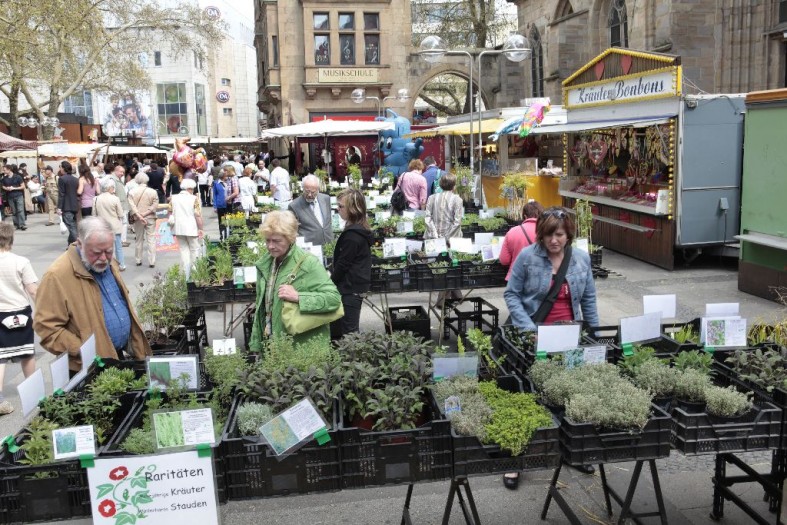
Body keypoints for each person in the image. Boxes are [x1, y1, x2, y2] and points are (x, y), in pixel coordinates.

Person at [503, 207, 600, 485]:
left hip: (570, 338)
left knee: (569, 395)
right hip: (533, 337)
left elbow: (589, 299)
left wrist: (595, 336)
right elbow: (511, 294)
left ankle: (573, 452)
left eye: (559, 235)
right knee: (526, 396)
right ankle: (515, 460)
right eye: (548, 235)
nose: (553, 240)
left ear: (569, 234)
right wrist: (528, 330)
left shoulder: (580, 259)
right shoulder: (527, 257)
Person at [34, 217, 152, 373]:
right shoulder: (56, 275)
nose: (103, 258)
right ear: (80, 244)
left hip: (117, 358)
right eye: (96, 253)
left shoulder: (108, 263)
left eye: (108, 251)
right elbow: (47, 329)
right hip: (88, 367)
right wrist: (85, 350)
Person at [248, 211, 342, 350]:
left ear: (290, 238)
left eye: (277, 241)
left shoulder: (308, 263)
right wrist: (258, 345)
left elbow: (333, 299)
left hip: (302, 348)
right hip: (274, 345)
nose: (271, 246)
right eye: (268, 240)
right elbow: (263, 309)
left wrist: (299, 297)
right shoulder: (266, 263)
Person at [0, 223, 38, 415]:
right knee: (27, 352)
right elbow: (32, 290)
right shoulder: (21, 261)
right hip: (20, 311)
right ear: (11, 240)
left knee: (0, 356)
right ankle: (33, 391)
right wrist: (42, 311)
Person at [330, 189, 373, 341]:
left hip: (350, 287)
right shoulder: (357, 230)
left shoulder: (353, 236)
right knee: (348, 328)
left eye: (341, 206)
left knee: (350, 331)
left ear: (353, 209)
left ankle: (354, 355)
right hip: (354, 285)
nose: (338, 209)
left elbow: (343, 264)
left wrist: (330, 282)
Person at [499, 201, 544, 281]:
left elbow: (504, 260)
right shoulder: (547, 232)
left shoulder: (512, 232)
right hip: (540, 278)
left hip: (516, 277)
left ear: (525, 216)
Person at [170, 179, 204, 280]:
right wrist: (201, 228)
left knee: (183, 249)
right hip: (191, 227)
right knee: (194, 249)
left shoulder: (173, 198)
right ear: (189, 188)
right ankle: (195, 270)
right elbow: (197, 215)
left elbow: (170, 212)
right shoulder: (194, 199)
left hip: (178, 227)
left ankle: (186, 271)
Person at [288, 174, 332, 246]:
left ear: (318, 189)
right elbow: (292, 230)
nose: (309, 195)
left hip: (328, 243)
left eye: (313, 192)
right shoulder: (294, 206)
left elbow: (328, 221)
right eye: (307, 191)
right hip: (309, 247)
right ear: (302, 188)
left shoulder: (326, 199)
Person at [94, 177, 127, 271]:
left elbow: (94, 214)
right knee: (118, 247)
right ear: (110, 188)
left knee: (105, 248)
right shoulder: (115, 199)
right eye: (113, 187)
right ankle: (121, 264)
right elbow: (120, 214)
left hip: (102, 227)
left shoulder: (96, 199)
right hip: (114, 226)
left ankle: (108, 265)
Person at [127, 173, 159, 268]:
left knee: (139, 239)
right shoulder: (153, 192)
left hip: (138, 218)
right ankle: (152, 261)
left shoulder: (132, 192)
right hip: (150, 217)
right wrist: (145, 213)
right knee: (151, 239)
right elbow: (155, 206)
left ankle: (138, 260)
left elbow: (132, 206)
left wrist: (139, 215)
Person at [425, 172, 464, 241]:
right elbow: (457, 221)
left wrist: (434, 234)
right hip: (451, 239)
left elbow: (428, 217)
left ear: (440, 184)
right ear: (454, 186)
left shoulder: (431, 198)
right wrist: (447, 237)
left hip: (433, 237)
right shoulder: (457, 199)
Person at [57, 161, 80, 245]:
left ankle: (78, 243)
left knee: (71, 226)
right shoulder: (75, 179)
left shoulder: (62, 179)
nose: (60, 169)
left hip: (66, 206)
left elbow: (61, 194)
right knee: (73, 225)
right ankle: (70, 244)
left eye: (60, 167)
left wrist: (59, 207)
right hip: (75, 205)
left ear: (63, 168)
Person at [107, 164, 131, 247]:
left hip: (122, 204)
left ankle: (122, 240)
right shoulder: (112, 180)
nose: (122, 174)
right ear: (116, 171)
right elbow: (111, 193)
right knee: (121, 223)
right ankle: (121, 240)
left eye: (123, 172)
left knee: (123, 223)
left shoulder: (118, 179)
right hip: (119, 205)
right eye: (121, 172)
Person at [1, 164, 27, 230]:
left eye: (4, 170)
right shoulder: (4, 178)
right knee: (14, 211)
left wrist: (14, 188)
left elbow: (23, 186)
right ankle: (16, 225)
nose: (3, 171)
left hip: (18, 195)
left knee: (20, 210)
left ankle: (22, 224)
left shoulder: (17, 177)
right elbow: (2, 186)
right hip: (10, 196)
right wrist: (6, 188)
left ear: (9, 170)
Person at [212, 167, 229, 240]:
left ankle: (227, 234)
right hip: (220, 205)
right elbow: (214, 195)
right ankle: (222, 235)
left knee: (228, 220)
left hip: (228, 205)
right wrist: (215, 206)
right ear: (223, 177)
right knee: (221, 221)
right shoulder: (216, 183)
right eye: (226, 176)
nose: (227, 177)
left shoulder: (228, 182)